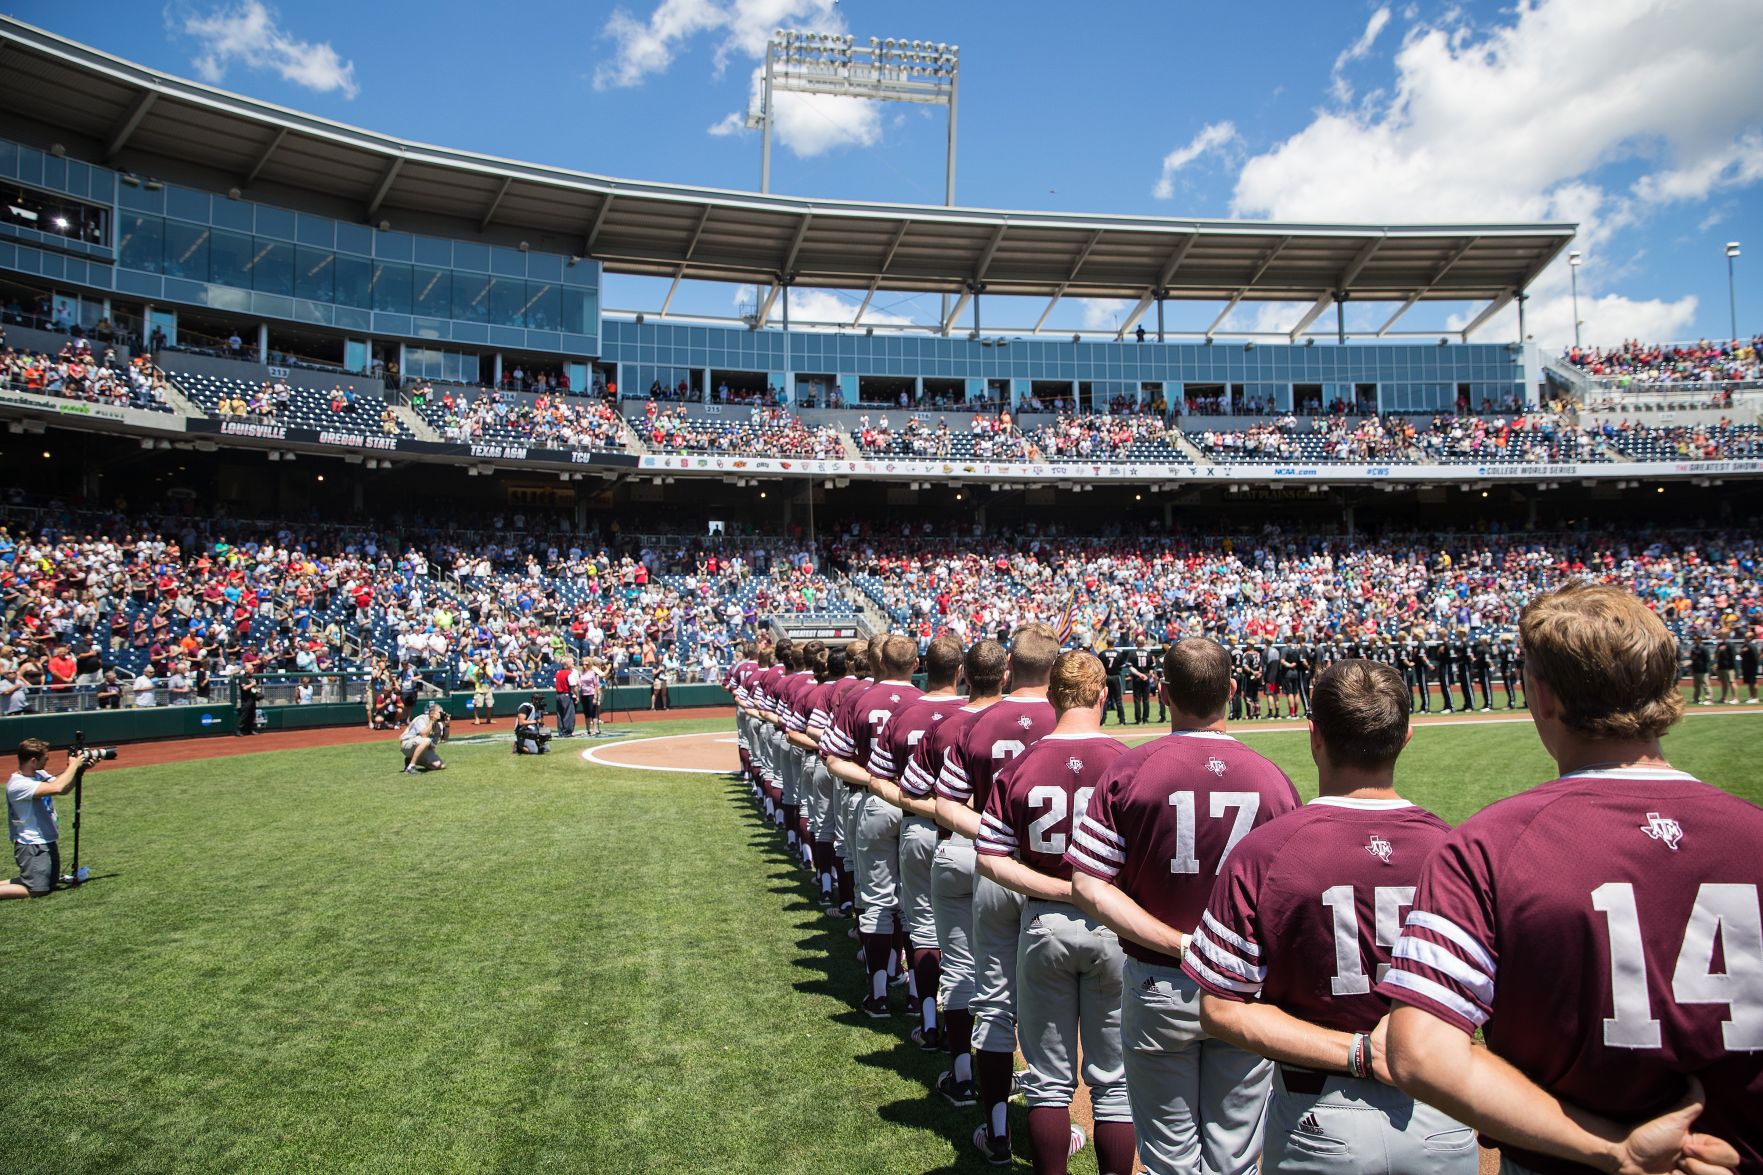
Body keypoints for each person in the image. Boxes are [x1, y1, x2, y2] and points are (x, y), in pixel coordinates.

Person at [1382, 582, 1759, 1175]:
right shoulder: (1753, 832)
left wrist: (1613, 1149)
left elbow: (1421, 1054)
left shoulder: (1488, 845)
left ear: (1541, 693)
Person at [1184, 658, 1476, 1174]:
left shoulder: (1266, 852)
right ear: (1406, 736)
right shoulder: (1457, 852)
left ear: (1313, 735)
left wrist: (1360, 1052)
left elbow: (1222, 1010)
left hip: (1319, 1112)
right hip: (1441, 1106)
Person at [1067, 637, 1302, 1175]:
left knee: (1169, 1158)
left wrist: (1181, 943)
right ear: (1233, 690)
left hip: (1159, 978)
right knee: (1236, 1156)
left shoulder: (1131, 771)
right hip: (1241, 985)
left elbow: (1088, 887)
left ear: (1163, 692)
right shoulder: (1274, 780)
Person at [975, 650, 1136, 1175]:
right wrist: (1089, 893)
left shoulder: (1021, 762)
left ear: (1050, 696)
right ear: (1102, 695)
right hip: (1114, 924)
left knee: (1047, 1080)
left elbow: (991, 858)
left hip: (1044, 921)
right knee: (1114, 1081)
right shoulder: (1129, 760)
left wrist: (1059, 890)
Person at [936, 623, 1061, 1165]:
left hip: (993, 872)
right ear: (1053, 670)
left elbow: (943, 802)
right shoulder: (1071, 724)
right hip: (1056, 881)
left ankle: (998, 1131)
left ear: (1010, 668)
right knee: (1053, 1012)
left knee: (994, 1000)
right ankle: (1051, 1128)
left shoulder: (978, 719)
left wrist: (990, 832)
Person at [3, 737, 101, 899]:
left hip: (44, 839)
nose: (48, 761)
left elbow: (65, 788)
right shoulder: (18, 784)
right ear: (33, 761)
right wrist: (74, 765)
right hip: (32, 843)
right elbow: (57, 787)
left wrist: (78, 770)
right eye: (45, 758)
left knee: (48, 882)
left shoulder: (38, 774)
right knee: (36, 889)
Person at [400, 702, 448, 774]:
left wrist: (447, 726)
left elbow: (444, 739)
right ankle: (411, 767)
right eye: (439, 713)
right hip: (407, 744)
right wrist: (432, 721)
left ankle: (411, 760)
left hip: (422, 746)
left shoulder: (438, 725)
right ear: (432, 713)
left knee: (439, 765)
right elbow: (424, 735)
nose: (441, 715)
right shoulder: (421, 719)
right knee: (426, 740)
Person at [554, 657, 578, 737]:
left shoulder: (558, 673)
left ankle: (561, 731)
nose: (572, 664)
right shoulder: (569, 673)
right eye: (571, 662)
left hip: (558, 695)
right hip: (566, 694)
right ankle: (567, 731)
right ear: (566, 665)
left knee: (560, 714)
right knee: (568, 713)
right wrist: (577, 696)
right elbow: (573, 686)